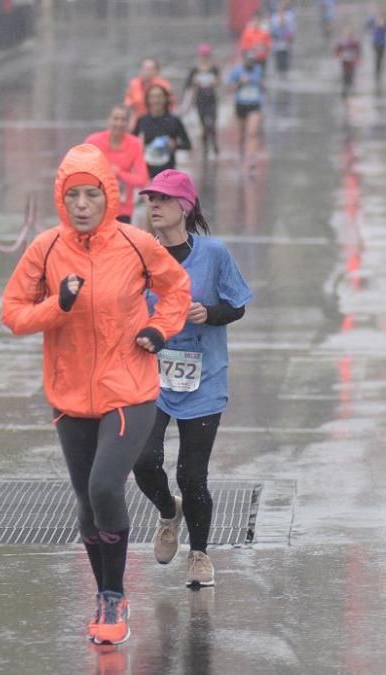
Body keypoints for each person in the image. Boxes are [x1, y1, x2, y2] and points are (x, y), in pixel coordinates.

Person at [1, 144, 191, 646]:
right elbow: (13, 313)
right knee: (87, 501)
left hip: (129, 388)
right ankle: (108, 596)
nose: (83, 204)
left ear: (109, 196)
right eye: (73, 196)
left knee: (106, 486)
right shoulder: (44, 248)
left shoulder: (135, 244)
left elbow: (176, 289)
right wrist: (56, 306)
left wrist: (159, 329)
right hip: (69, 396)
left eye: (92, 194)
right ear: (61, 200)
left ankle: (112, 595)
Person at [133, 169, 252, 589]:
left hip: (203, 378)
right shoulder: (142, 254)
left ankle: (199, 555)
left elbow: (237, 304)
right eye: (150, 200)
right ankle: (168, 513)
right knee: (143, 459)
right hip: (152, 376)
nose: (154, 207)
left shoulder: (214, 253)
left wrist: (209, 313)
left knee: (191, 474)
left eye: (163, 200)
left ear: (184, 206)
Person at [85, 105, 149, 224]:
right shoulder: (93, 141)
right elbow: (82, 171)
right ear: (108, 120)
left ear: (128, 123)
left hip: (122, 207)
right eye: (115, 119)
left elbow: (142, 179)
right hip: (96, 204)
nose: (119, 123)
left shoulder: (135, 144)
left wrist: (119, 173)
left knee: (120, 242)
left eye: (123, 120)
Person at [133, 83, 192, 178]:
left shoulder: (174, 121)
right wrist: (139, 145)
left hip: (167, 171)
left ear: (165, 99)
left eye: (159, 96)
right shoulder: (142, 120)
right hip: (146, 171)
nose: (156, 100)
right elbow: (130, 142)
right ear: (148, 100)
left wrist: (175, 145)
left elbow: (188, 145)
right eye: (152, 97)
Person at [182, 43, 221, 156]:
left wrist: (215, 82)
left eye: (206, 55)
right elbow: (188, 85)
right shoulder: (194, 69)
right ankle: (205, 148)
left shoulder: (214, 68)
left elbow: (219, 82)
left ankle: (214, 144)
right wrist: (194, 82)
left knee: (212, 124)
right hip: (200, 100)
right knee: (204, 125)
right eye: (203, 55)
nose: (204, 57)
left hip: (212, 100)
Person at [227, 50, 264, 171]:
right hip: (241, 105)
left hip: (255, 105)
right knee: (242, 133)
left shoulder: (259, 69)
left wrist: (260, 85)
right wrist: (239, 83)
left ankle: (252, 158)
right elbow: (229, 88)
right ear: (244, 60)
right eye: (248, 60)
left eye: (252, 60)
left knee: (252, 133)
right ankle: (241, 153)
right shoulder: (237, 71)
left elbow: (262, 86)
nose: (251, 63)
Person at [124, 57, 173, 130]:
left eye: (149, 69)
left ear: (156, 71)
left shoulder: (163, 85)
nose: (146, 72)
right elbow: (128, 105)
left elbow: (170, 105)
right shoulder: (134, 84)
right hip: (137, 123)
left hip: (158, 122)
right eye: (144, 69)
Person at [268, 1, 297, 78]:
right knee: (278, 62)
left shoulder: (290, 16)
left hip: (286, 44)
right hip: (277, 44)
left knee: (286, 62)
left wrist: (287, 33)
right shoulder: (274, 18)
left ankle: (285, 75)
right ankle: (279, 74)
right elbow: (271, 31)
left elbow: (292, 30)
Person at [238, 11, 272, 75]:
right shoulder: (247, 31)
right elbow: (244, 46)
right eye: (255, 20)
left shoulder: (265, 31)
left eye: (258, 20)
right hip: (251, 60)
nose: (257, 22)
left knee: (261, 75)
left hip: (261, 58)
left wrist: (263, 48)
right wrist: (253, 48)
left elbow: (269, 44)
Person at [366, 4, 386, 82]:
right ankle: (377, 72)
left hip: (383, 41)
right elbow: (367, 26)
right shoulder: (373, 19)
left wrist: (384, 27)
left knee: (381, 57)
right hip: (375, 41)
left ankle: (379, 70)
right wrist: (372, 30)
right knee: (377, 56)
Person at [335, 27, 361, 97]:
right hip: (344, 61)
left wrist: (357, 58)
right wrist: (339, 56)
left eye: (348, 33)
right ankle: (345, 92)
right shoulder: (341, 42)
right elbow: (337, 50)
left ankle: (350, 90)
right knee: (345, 75)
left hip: (352, 62)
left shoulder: (354, 42)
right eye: (345, 33)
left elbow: (358, 50)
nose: (347, 34)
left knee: (351, 75)